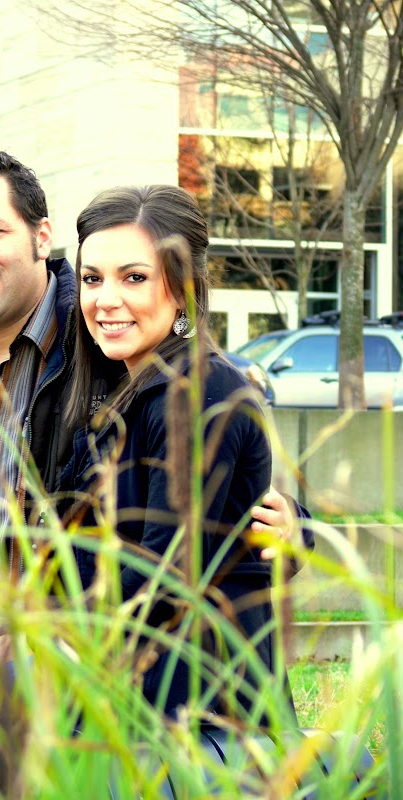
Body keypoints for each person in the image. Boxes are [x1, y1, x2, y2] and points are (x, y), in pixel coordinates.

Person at [0, 149, 307, 766]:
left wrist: (292, 526)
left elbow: (203, 523)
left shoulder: (107, 346)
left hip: (88, 656)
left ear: (40, 237)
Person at [58, 184, 307, 720]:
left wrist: (40, 641)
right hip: (115, 674)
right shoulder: (126, 388)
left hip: (183, 706)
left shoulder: (196, 390)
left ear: (183, 288)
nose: (105, 299)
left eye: (134, 277)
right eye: (92, 279)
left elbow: (163, 577)